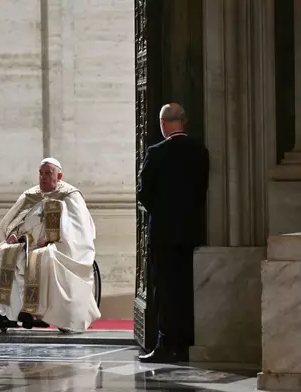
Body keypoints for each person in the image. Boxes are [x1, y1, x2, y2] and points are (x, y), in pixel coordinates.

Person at [0, 158, 101, 332]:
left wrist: (50, 239)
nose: (43, 177)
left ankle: (36, 312)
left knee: (43, 257)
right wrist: (14, 235)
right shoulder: (31, 195)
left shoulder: (70, 195)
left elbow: (79, 229)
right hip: (26, 246)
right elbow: (14, 221)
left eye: (48, 173)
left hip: (57, 246)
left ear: (59, 176)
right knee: (6, 253)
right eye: (41, 173)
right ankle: (5, 313)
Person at [137, 103, 209, 363]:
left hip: (164, 235)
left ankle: (166, 345)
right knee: (187, 288)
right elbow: (202, 191)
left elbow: (144, 193)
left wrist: (164, 213)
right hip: (191, 231)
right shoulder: (199, 151)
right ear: (184, 121)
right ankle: (187, 344)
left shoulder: (156, 153)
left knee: (165, 291)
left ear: (162, 123)